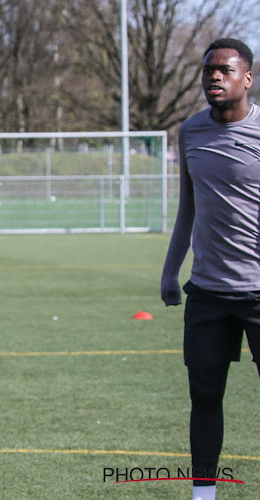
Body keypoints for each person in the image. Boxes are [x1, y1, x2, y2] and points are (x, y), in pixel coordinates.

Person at [161, 37, 260, 500]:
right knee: (204, 398)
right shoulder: (191, 132)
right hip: (208, 293)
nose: (213, 77)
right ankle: (204, 495)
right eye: (207, 71)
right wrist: (170, 271)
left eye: (224, 69)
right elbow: (188, 208)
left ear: (247, 78)